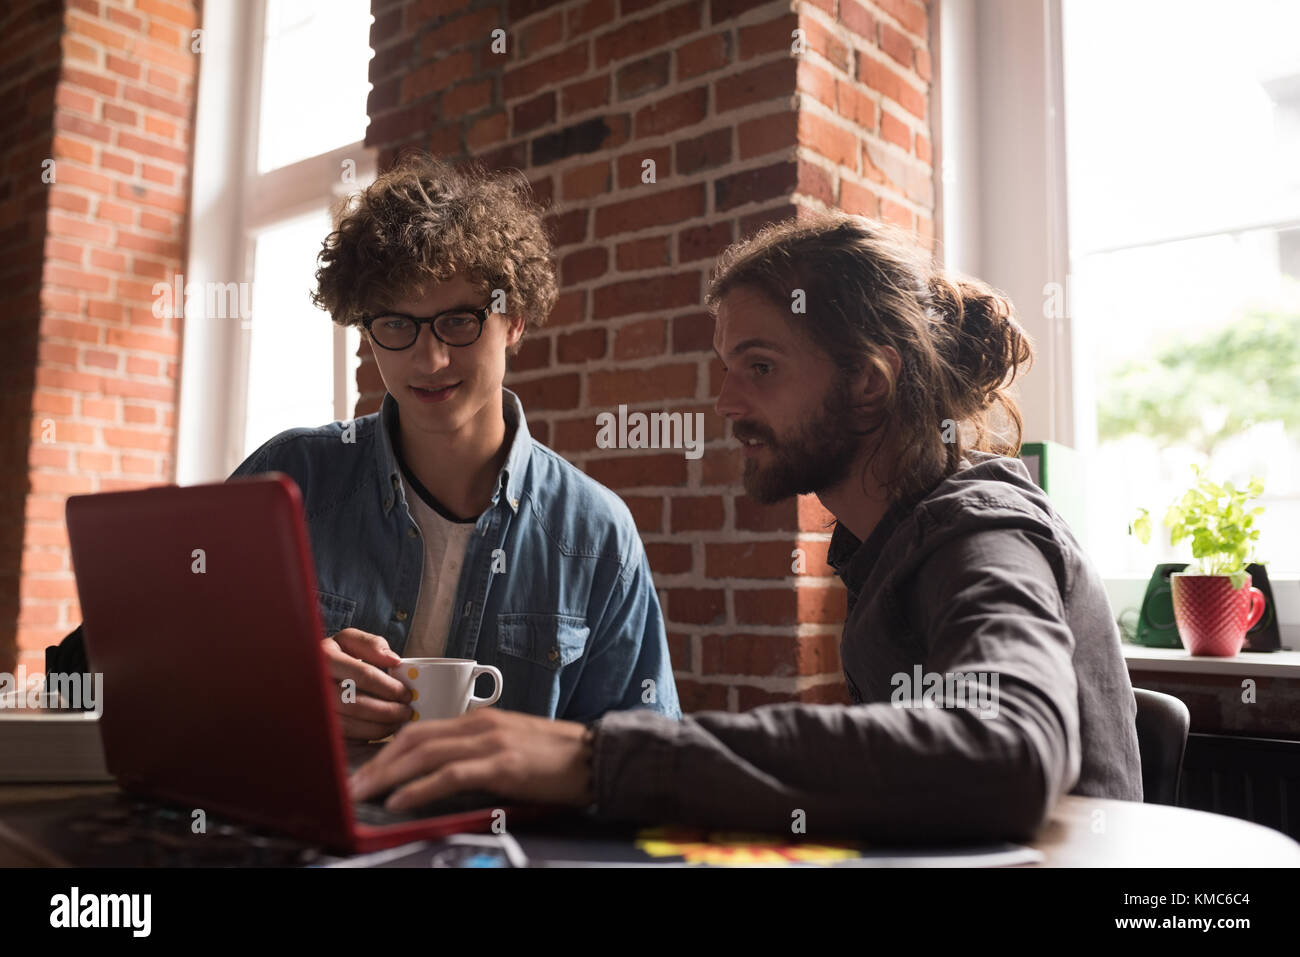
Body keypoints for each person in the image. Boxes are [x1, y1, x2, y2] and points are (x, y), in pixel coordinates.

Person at [349, 211, 1143, 843]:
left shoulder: (981, 533)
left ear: (868, 387)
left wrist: (595, 758)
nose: (726, 402)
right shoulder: (888, 545)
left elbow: (1009, 753)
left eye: (759, 366)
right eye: (728, 366)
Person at [46, 153, 680, 736]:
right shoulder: (291, 480)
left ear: (512, 320)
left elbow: (643, 765)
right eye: (397, 325)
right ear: (367, 332)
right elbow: (81, 674)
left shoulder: (596, 534)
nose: (430, 358)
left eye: (460, 320)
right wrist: (272, 673)